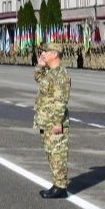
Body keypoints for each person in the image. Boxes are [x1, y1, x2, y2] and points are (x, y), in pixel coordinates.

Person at [34, 42, 71, 199]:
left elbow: (61, 101)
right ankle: (57, 183)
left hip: (55, 122)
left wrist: (57, 122)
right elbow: (39, 80)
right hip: (47, 121)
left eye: (46, 51)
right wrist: (40, 65)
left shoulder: (60, 75)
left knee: (57, 154)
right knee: (51, 153)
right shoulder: (51, 73)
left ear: (55, 54)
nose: (43, 53)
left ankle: (60, 187)